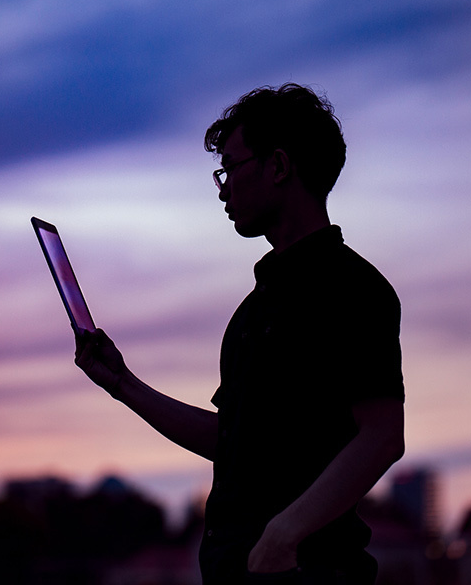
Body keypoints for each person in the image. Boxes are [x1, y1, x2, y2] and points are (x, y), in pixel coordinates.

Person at [75, 83, 405, 584]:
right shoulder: (254, 313)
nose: (223, 188)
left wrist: (283, 535)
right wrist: (123, 384)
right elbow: (232, 441)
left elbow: (382, 435)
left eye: (230, 168)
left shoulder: (355, 289)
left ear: (277, 166)